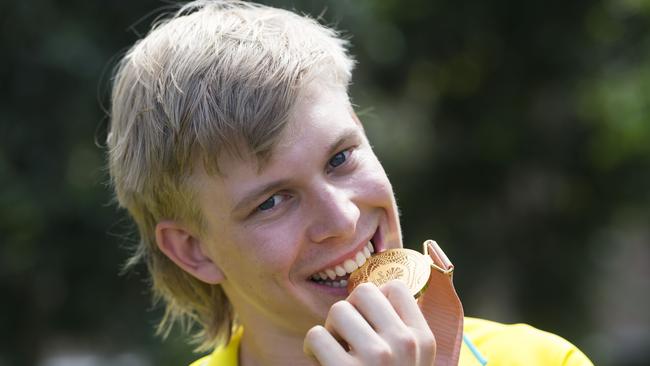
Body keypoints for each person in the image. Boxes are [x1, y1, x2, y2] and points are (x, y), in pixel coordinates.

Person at [106, 1, 594, 365]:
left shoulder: (543, 359)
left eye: (340, 157)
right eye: (272, 202)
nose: (342, 219)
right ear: (194, 249)